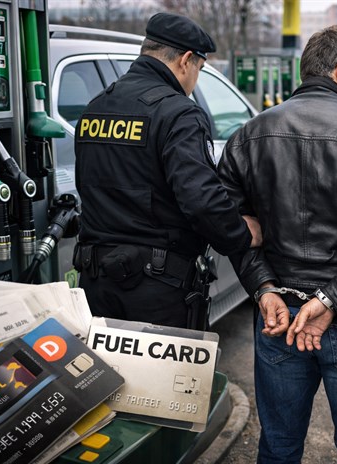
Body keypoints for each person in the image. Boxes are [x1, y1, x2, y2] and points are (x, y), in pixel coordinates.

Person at [218, 25, 337, 463]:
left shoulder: (247, 137)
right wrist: (331, 301)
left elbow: (233, 229)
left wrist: (264, 288)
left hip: (278, 314)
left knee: (278, 446)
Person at [73, 12, 261, 328]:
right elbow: (201, 201)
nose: (195, 80)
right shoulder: (179, 113)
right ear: (186, 60)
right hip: (157, 290)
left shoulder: (95, 107)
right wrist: (242, 233)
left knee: (102, 362)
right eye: (199, 69)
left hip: (96, 284)